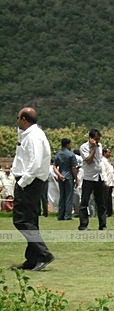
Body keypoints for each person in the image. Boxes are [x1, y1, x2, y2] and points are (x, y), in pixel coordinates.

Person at [11, 107, 55, 271]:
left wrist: (22, 182)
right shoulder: (30, 134)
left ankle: (43, 254)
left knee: (21, 220)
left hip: (30, 182)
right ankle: (33, 258)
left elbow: (35, 163)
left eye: (18, 118)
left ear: (23, 119)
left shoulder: (33, 137)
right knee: (30, 220)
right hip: (32, 181)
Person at [78, 129, 107, 231]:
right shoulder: (84, 147)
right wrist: (93, 148)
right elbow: (89, 160)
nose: (97, 142)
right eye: (96, 139)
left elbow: (99, 161)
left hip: (99, 177)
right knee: (84, 202)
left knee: (101, 202)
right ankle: (83, 225)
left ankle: (102, 225)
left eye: (98, 140)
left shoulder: (100, 146)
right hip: (89, 177)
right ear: (90, 138)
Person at [54, 138, 78, 220]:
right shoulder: (71, 154)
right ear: (68, 144)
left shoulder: (58, 154)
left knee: (62, 196)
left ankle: (60, 215)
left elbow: (54, 167)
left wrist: (59, 175)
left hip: (61, 177)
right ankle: (67, 215)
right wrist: (76, 178)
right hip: (69, 177)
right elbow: (73, 168)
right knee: (68, 197)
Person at [101, 147, 114, 217]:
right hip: (106, 182)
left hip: (111, 182)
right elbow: (103, 172)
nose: (110, 154)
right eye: (108, 152)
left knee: (109, 198)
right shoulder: (102, 161)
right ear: (104, 153)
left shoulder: (108, 161)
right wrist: (105, 181)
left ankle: (109, 212)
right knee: (105, 198)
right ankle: (105, 212)